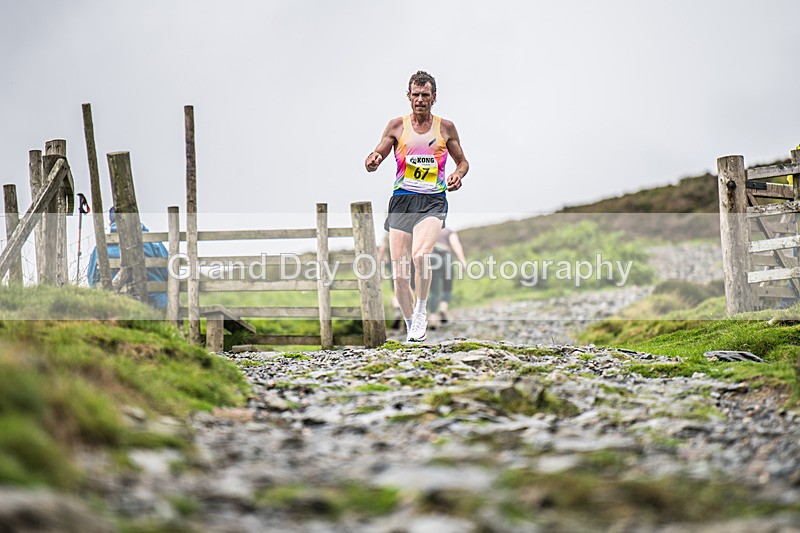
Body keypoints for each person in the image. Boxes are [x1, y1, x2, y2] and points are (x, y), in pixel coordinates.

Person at [365, 71, 469, 342]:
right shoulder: (397, 126)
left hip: (433, 200)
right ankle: (412, 325)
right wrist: (374, 159)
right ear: (408, 96)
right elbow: (380, 150)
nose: (420, 100)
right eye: (415, 95)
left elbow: (463, 162)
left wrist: (457, 174)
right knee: (400, 274)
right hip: (402, 200)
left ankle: (421, 310)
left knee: (421, 255)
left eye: (425, 95)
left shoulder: (445, 128)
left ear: (434, 97)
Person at [87, 207, 169, 308]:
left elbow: (93, 279)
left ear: (111, 222)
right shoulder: (153, 242)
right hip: (155, 302)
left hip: (116, 303)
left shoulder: (101, 246)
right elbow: (168, 272)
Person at [428, 227, 467, 328]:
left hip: (432, 258)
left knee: (434, 289)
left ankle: (432, 316)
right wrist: (462, 260)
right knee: (447, 286)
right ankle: (443, 309)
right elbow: (456, 245)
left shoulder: (428, 229)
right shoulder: (448, 231)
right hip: (447, 258)